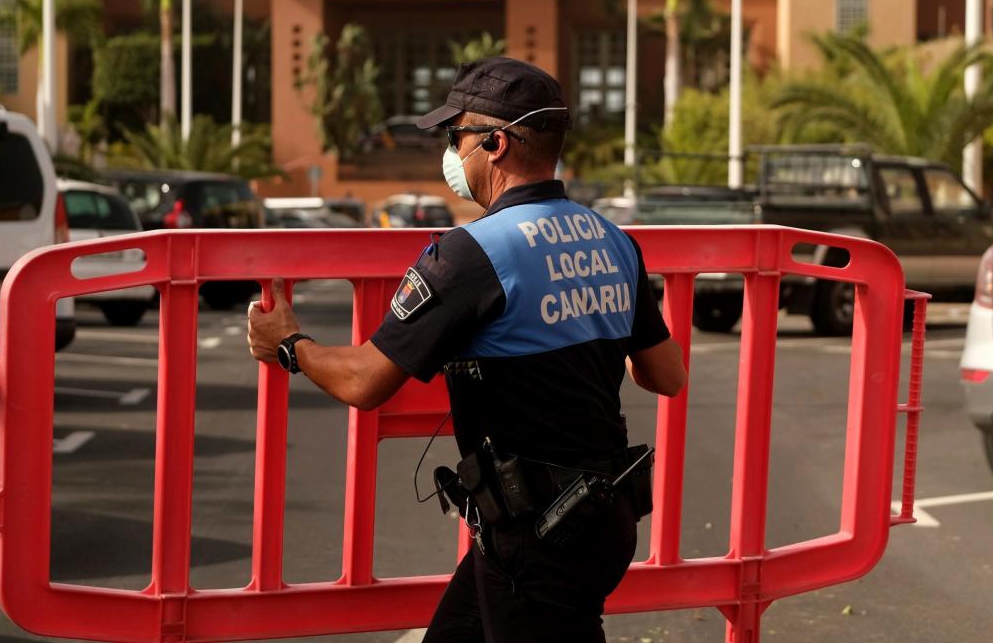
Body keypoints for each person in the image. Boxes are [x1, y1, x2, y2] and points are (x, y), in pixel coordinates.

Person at [248, 56, 687, 642]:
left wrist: (289, 345)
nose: (452, 154)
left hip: (541, 538)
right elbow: (666, 374)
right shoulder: (613, 240)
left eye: (457, 138)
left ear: (496, 144)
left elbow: (365, 380)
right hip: (597, 517)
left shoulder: (472, 254)